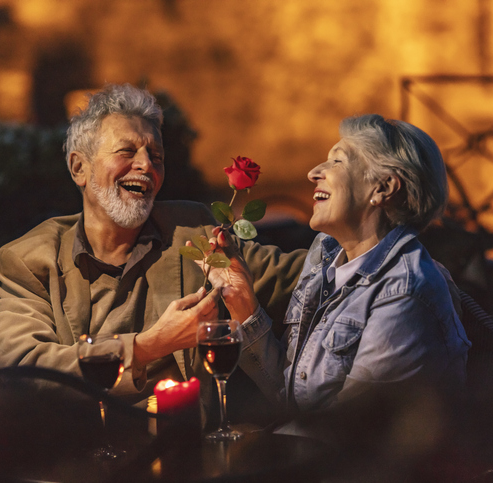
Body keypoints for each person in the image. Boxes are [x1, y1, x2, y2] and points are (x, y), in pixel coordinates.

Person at [0, 83, 305, 407]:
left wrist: (350, 229)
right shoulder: (24, 262)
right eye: (127, 151)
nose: (146, 165)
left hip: (186, 450)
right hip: (82, 453)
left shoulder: (191, 231)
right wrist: (149, 346)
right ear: (79, 168)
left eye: (156, 156)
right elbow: (24, 372)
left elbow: (302, 276)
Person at [201, 114, 471, 412]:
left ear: (383, 187)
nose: (313, 172)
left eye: (337, 161)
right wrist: (243, 303)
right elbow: (293, 396)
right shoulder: (326, 257)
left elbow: (345, 433)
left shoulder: (403, 292)